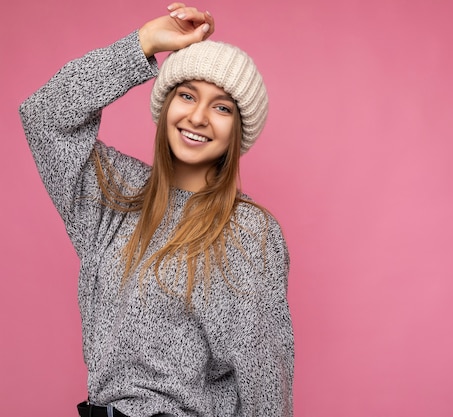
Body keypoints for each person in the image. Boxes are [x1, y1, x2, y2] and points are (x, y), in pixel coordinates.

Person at [19, 3, 293, 417]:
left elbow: (265, 378)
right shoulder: (113, 194)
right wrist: (144, 42)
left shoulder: (248, 232)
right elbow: (45, 116)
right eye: (187, 95)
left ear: (238, 129)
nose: (198, 117)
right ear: (166, 104)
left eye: (222, 107)